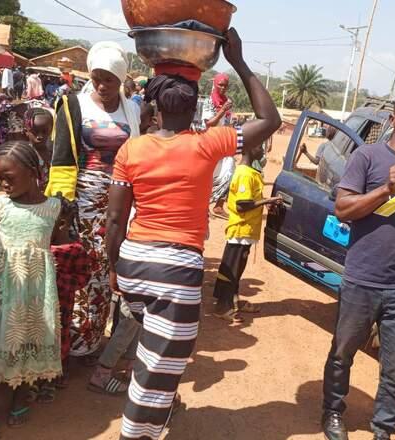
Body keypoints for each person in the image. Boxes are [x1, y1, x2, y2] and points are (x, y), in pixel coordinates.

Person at [106, 28, 280, 440]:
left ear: (152, 106)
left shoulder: (132, 149)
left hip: (134, 263)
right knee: (157, 371)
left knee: (151, 357)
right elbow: (270, 120)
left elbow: (115, 220)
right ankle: (137, 433)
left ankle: (154, 419)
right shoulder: (208, 144)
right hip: (176, 273)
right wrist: (238, 61)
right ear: (194, 106)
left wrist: (115, 268)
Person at [321, 90, 395, 440]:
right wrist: (384, 190)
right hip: (362, 278)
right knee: (343, 352)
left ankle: (383, 429)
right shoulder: (366, 157)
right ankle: (332, 412)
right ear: (394, 119)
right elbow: (343, 209)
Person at [47, 41, 141, 361]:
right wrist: (60, 206)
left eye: (109, 79)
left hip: (119, 201)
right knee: (82, 269)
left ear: (121, 80)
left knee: (107, 269)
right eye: (97, 77)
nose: (102, 84)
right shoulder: (73, 104)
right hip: (82, 202)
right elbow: (60, 157)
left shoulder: (133, 110)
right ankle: (69, 343)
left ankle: (89, 341)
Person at [0, 141, 63, 439]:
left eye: (9, 177)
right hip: (5, 292)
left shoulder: (54, 207)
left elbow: (59, 244)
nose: (3, 183)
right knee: (0, 347)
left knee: (29, 345)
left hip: (37, 293)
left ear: (33, 172)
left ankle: (21, 397)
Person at [211, 143, 282, 323]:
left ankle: (233, 301)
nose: (262, 151)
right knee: (232, 269)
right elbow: (242, 205)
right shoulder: (243, 173)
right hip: (240, 228)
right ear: (251, 149)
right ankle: (222, 306)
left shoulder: (251, 172)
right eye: (260, 147)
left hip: (247, 230)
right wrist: (267, 200)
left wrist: (263, 202)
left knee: (237, 268)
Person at [49, 197, 92, 394]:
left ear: (63, 223)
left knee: (61, 335)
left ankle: (59, 371)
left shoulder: (75, 250)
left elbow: (83, 278)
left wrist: (59, 276)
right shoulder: (41, 246)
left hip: (62, 304)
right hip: (38, 302)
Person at [205, 73, 235, 219]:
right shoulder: (209, 101)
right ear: (215, 84)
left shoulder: (228, 101)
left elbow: (228, 121)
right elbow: (208, 123)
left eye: (225, 85)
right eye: (220, 85)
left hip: (224, 142)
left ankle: (219, 205)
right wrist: (222, 110)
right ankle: (204, 206)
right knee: (207, 175)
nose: (223, 88)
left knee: (229, 171)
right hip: (210, 142)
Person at [24, 107, 54, 188]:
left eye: (45, 131)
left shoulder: (54, 155)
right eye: (35, 131)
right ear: (26, 131)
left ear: (51, 130)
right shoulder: (23, 156)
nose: (40, 136)